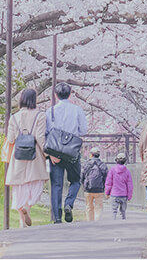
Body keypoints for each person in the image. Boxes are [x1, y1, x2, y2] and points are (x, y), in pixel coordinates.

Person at [5, 89, 48, 228]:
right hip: (34, 155)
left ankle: (22, 222)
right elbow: (40, 137)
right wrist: (47, 154)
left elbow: (11, 138)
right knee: (36, 185)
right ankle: (27, 208)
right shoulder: (40, 115)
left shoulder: (14, 117)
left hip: (18, 155)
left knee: (19, 189)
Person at [46, 82, 87, 223]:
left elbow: (46, 132)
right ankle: (69, 203)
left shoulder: (50, 111)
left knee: (56, 184)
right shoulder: (77, 110)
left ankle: (57, 217)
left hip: (55, 153)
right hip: (72, 152)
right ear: (70, 94)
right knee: (75, 180)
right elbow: (83, 130)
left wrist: (50, 154)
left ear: (55, 95)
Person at [81, 146, 108, 221]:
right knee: (98, 207)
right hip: (99, 189)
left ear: (91, 155)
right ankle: (97, 221)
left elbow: (82, 176)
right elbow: (106, 178)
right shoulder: (103, 165)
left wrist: (84, 185)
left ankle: (90, 222)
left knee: (89, 206)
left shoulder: (86, 164)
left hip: (88, 189)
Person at [105, 152, 133, 220]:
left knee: (114, 211)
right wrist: (129, 196)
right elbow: (130, 185)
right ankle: (124, 222)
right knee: (123, 211)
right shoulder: (127, 171)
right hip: (124, 194)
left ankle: (113, 223)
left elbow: (109, 182)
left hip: (114, 194)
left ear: (116, 160)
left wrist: (107, 192)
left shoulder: (112, 170)